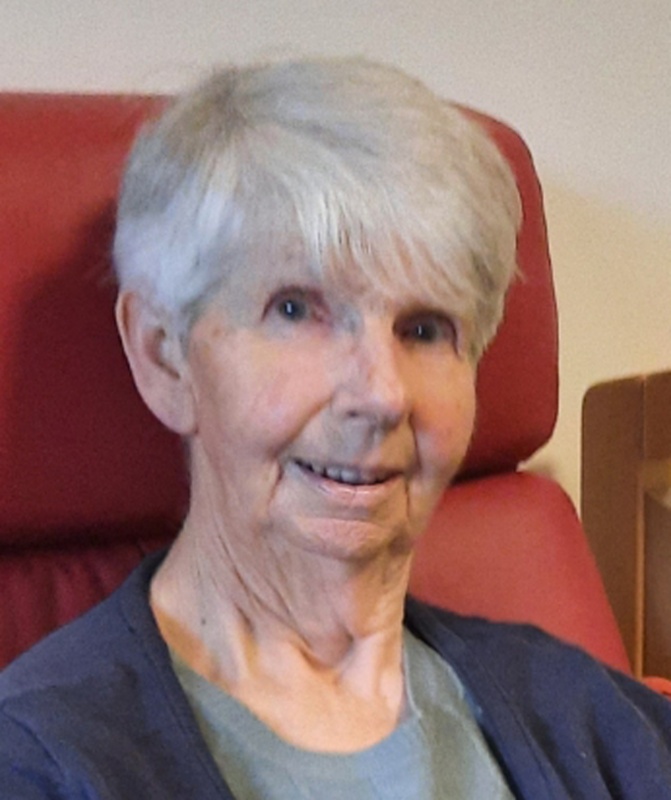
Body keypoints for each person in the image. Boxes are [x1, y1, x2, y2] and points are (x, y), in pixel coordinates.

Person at [0, 56, 670, 799]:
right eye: (296, 310)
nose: (381, 395)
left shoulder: (589, 716)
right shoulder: (40, 763)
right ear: (166, 358)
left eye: (425, 328)